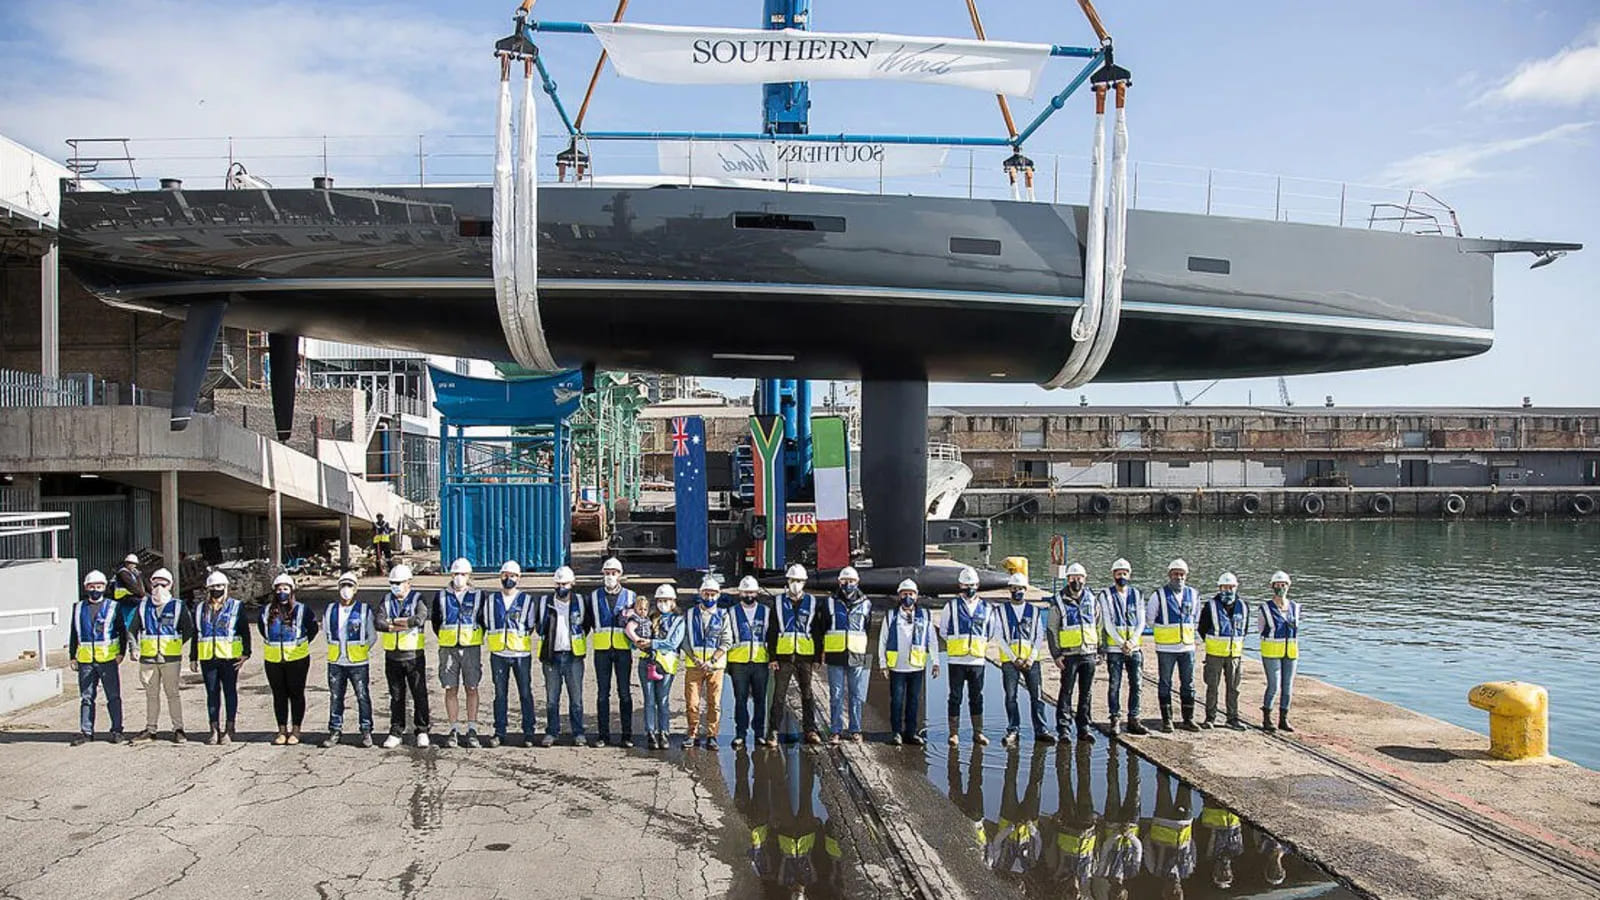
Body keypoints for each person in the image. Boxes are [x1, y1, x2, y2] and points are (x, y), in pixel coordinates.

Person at [129, 566, 192, 743]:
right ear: (151, 584)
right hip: (148, 659)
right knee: (151, 695)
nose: (159, 587)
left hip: (170, 659)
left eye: (163, 583)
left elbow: (188, 630)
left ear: (170, 585)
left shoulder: (178, 606)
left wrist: (174, 644)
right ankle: (151, 729)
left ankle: (178, 729)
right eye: (156, 582)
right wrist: (134, 648)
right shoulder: (143, 605)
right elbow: (132, 629)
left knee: (173, 694)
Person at [767, 564, 826, 745]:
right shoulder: (777, 602)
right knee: (779, 696)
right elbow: (772, 630)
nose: (795, 584)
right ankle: (773, 731)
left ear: (804, 582)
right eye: (793, 580)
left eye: (799, 581)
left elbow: (817, 630)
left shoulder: (813, 602)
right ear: (788, 581)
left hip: (804, 657)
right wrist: (773, 657)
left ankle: (810, 729)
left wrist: (817, 656)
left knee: (807, 694)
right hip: (783, 657)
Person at [190, 570, 251, 745]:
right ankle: (214, 729)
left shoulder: (236, 606)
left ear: (225, 588)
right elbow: (197, 633)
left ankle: (229, 729)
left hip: (230, 658)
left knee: (230, 692)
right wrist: (193, 657)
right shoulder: (200, 608)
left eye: (219, 586)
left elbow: (244, 631)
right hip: (208, 658)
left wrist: (246, 653)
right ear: (208, 589)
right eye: (213, 587)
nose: (217, 589)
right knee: (211, 693)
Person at [996, 573, 1054, 747]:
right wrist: (1014, 658)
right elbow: (999, 636)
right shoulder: (1000, 611)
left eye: (1020, 589)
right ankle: (1013, 729)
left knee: (1037, 695)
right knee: (1011, 696)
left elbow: (1038, 635)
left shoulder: (1034, 611)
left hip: (1031, 660)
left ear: (1025, 590)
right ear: (1009, 590)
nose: (1017, 591)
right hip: (1010, 661)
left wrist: (1031, 657)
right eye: (1014, 589)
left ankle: (1041, 729)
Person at [260, 573, 319, 745]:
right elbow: (262, 630)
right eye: (279, 589)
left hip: (297, 659)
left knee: (296, 694)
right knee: (279, 695)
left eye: (285, 589)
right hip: (273, 661)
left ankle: (296, 730)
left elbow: (312, 629)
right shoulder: (265, 611)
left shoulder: (302, 610)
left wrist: (300, 644)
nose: (282, 592)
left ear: (292, 590)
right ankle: (281, 730)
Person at [939, 565, 994, 747]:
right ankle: (953, 733)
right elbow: (944, 631)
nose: (969, 588)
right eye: (966, 585)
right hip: (956, 659)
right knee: (955, 696)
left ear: (977, 585)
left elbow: (990, 632)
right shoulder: (951, 607)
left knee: (976, 696)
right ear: (960, 585)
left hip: (977, 659)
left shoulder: (986, 608)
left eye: (972, 585)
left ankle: (978, 732)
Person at [878, 578, 938, 746]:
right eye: (904, 594)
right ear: (899, 596)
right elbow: (882, 640)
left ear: (916, 596)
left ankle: (910, 733)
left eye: (911, 594)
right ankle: (896, 732)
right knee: (897, 700)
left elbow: (932, 639)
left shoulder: (924, 615)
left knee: (913, 701)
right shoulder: (891, 616)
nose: (907, 597)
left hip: (916, 666)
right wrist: (883, 663)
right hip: (897, 666)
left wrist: (935, 661)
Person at [535, 565, 590, 747]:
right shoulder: (545, 602)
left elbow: (586, 625)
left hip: (574, 656)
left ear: (572, 583)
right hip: (551, 656)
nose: (561, 587)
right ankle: (552, 732)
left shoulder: (580, 602)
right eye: (558, 584)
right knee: (552, 699)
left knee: (576, 699)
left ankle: (578, 733)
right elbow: (539, 626)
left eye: (565, 583)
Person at [433, 557, 485, 748]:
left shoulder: (478, 595)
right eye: (456, 574)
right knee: (450, 688)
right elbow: (436, 621)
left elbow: (482, 620)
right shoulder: (441, 596)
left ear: (469, 575)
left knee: (472, 688)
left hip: (471, 647)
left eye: (462, 574)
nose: (459, 577)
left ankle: (472, 729)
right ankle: (453, 729)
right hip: (448, 648)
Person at [69, 570, 126, 745]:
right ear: (86, 587)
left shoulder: (113, 606)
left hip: (108, 660)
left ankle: (116, 730)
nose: (96, 589)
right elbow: (74, 633)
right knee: (87, 698)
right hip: (86, 661)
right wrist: (72, 656)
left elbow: (121, 631)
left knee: (113, 696)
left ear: (105, 587)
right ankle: (86, 732)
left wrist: (121, 652)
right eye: (92, 586)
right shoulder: (78, 608)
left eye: (99, 586)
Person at [378, 564, 431, 748]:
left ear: (408, 583)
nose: (395, 586)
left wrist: (393, 623)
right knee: (396, 696)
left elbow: (419, 619)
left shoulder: (418, 599)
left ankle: (422, 730)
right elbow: (379, 622)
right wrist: (398, 624)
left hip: (413, 656)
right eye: (392, 583)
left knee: (419, 694)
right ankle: (396, 731)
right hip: (392, 656)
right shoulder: (385, 600)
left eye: (399, 583)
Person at [485, 560, 537, 748]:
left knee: (525, 693)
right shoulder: (491, 600)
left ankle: (529, 732)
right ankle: (499, 731)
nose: (509, 578)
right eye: (506, 575)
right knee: (500, 694)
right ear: (500, 576)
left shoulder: (527, 600)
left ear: (519, 578)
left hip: (521, 655)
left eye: (513, 575)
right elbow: (486, 622)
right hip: (498, 654)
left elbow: (530, 626)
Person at [589, 556, 638, 748]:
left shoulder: (631, 597)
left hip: (623, 651)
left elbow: (640, 622)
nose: (610, 576)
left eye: (614, 573)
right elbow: (588, 621)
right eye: (607, 573)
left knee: (624, 693)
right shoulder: (593, 597)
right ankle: (603, 735)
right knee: (602, 694)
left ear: (620, 575)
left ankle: (627, 735)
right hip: (602, 651)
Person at [323, 571, 376, 748]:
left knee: (362, 696)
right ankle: (335, 730)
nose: (346, 590)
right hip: (336, 662)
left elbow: (372, 636)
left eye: (350, 586)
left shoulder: (363, 610)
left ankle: (366, 730)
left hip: (358, 663)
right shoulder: (330, 610)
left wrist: (360, 650)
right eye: (343, 586)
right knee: (336, 697)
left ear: (356, 589)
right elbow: (326, 633)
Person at [1147, 559, 1201, 733]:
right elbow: (1150, 620)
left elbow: (1196, 618)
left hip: (1187, 648)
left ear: (1186, 576)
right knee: (1165, 683)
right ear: (1169, 575)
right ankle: (1167, 720)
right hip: (1166, 649)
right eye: (1175, 574)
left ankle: (1188, 719)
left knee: (1188, 683)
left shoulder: (1193, 594)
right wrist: (1165, 633)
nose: (1179, 577)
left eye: (1182, 574)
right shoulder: (1159, 595)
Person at [1048, 562, 1099, 743]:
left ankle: (1084, 727)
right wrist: (1056, 654)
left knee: (1086, 692)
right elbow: (1052, 629)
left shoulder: (1092, 599)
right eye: (1072, 578)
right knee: (1066, 691)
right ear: (1067, 579)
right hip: (1069, 655)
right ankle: (1064, 729)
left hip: (1089, 653)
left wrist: (1100, 650)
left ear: (1085, 579)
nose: (1076, 581)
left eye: (1079, 578)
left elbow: (1098, 625)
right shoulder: (1058, 600)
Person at [822, 565, 872, 745]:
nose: (848, 584)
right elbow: (824, 626)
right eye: (845, 581)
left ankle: (855, 729)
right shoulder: (829, 602)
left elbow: (866, 627)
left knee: (856, 694)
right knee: (835, 694)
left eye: (851, 581)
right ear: (839, 582)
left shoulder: (866, 603)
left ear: (857, 582)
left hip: (856, 653)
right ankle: (835, 730)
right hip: (835, 653)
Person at [1099, 558, 1148, 736]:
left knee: (1137, 684)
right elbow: (1107, 622)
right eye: (1119, 574)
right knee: (1114, 684)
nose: (1122, 576)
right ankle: (1115, 718)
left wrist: (1132, 641)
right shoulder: (1106, 595)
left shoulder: (1137, 594)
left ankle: (1134, 718)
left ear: (1130, 574)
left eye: (1124, 573)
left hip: (1134, 648)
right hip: (1115, 649)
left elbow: (1141, 621)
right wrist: (1121, 643)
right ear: (1113, 575)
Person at [1044, 742, 1100, 899]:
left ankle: (1063, 750)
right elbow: (1096, 852)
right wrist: (1097, 828)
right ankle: (1084, 751)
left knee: (1064, 783)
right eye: (1078, 896)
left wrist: (1054, 824)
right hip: (1086, 826)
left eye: (1070, 894)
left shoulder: (1057, 870)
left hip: (1066, 825)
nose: (1074, 892)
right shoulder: (1087, 876)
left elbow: (1050, 846)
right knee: (1085, 783)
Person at [683, 577, 733, 749]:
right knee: (692, 702)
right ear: (700, 593)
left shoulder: (723, 615)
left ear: (718, 595)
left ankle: (712, 735)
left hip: (715, 667)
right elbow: (685, 639)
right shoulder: (690, 614)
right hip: (694, 665)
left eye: (713, 594)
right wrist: (694, 658)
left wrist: (712, 660)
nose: (709, 597)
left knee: (714, 703)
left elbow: (727, 641)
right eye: (706, 593)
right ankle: (692, 733)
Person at [726, 575, 772, 750]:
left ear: (757, 592)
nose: (749, 595)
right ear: (740, 593)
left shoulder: (766, 611)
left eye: (752, 591)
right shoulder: (731, 612)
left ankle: (759, 733)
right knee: (740, 699)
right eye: (746, 592)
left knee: (760, 699)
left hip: (760, 662)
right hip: (739, 663)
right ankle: (741, 734)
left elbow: (770, 637)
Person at [1198, 572, 1248, 730]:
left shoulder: (1243, 606)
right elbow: (1202, 629)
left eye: (1231, 587)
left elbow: (1244, 630)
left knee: (1234, 688)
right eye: (1225, 587)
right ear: (1219, 588)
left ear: (1236, 587)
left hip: (1235, 655)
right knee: (1212, 686)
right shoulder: (1211, 605)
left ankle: (1232, 718)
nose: (1228, 590)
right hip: (1215, 654)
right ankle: (1210, 717)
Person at [638, 583, 686, 750]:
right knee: (649, 700)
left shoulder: (679, 621)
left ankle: (664, 733)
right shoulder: (649, 618)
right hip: (647, 663)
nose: (663, 603)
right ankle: (651, 733)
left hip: (666, 665)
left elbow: (672, 643)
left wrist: (651, 643)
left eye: (666, 600)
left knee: (663, 700)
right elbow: (636, 638)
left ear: (673, 601)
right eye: (660, 600)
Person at [1095, 743, 1144, 898]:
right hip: (1131, 825)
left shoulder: (1103, 871)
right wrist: (1128, 835)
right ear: (1125, 893)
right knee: (1134, 787)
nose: (1117, 894)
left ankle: (1113, 756)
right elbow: (1138, 849)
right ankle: (1133, 755)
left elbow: (1105, 848)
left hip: (1112, 823)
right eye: (1120, 897)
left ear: (1109, 892)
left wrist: (1117, 833)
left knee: (1113, 786)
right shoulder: (1132, 872)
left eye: (1113, 896)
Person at [1258, 570, 1300, 733]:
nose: (1281, 588)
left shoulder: (1295, 607)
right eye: (1278, 585)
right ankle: (1267, 717)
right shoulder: (1265, 608)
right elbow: (1261, 629)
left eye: (1283, 585)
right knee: (1273, 685)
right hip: (1271, 652)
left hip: (1290, 653)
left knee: (1287, 686)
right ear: (1272, 586)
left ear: (1288, 586)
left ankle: (1283, 718)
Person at [1145, 771, 1197, 895]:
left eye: (1171, 893)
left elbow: (1147, 847)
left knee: (1163, 783)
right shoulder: (1188, 870)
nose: (1174, 889)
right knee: (1186, 784)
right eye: (1177, 894)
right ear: (1181, 891)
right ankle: (1185, 759)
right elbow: (1192, 848)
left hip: (1163, 820)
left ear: (1165, 890)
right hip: (1183, 822)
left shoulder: (1155, 870)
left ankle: (1162, 757)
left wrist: (1153, 830)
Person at [1198, 803, 1244, 891]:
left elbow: (1199, 829)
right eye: (1227, 876)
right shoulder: (1238, 851)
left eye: (1220, 876)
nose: (1224, 872)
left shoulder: (1206, 852)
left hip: (1213, 807)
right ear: (1231, 873)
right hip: (1233, 808)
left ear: (1214, 872)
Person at [112, 552, 146, 637]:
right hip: (124, 599)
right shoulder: (123, 573)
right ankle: (127, 639)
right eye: (132, 564)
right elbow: (133, 587)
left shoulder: (134, 573)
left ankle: (130, 639)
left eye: (135, 564)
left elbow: (143, 585)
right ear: (126, 563)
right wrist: (142, 594)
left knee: (131, 620)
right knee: (127, 622)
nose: (134, 566)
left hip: (131, 600)